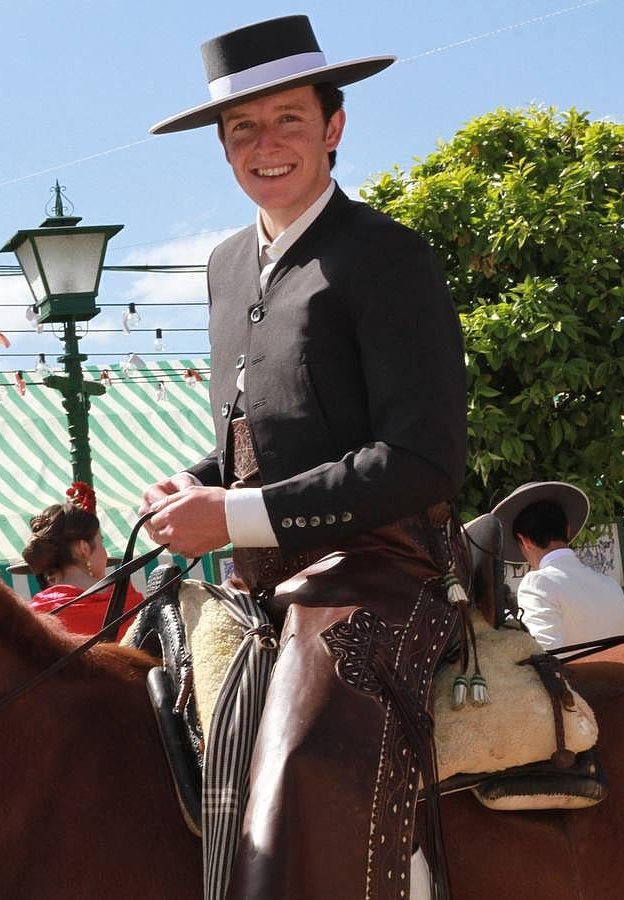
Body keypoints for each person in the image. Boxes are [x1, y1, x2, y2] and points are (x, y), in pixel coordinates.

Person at [142, 15, 467, 899]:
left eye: (287, 119)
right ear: (222, 148)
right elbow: (254, 443)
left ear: (334, 127)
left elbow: (422, 459)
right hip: (255, 579)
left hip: (381, 568)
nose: (265, 145)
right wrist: (195, 486)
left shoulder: (390, 257)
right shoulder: (224, 264)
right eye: (241, 129)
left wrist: (233, 515)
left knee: (302, 753)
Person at [492, 481, 624, 652]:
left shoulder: (537, 583)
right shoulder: (610, 585)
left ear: (525, 541)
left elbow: (546, 656)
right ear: (567, 530)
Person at [16, 482, 142, 640]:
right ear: (84, 548)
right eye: (101, 542)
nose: (104, 552)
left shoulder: (34, 617)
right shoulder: (130, 601)